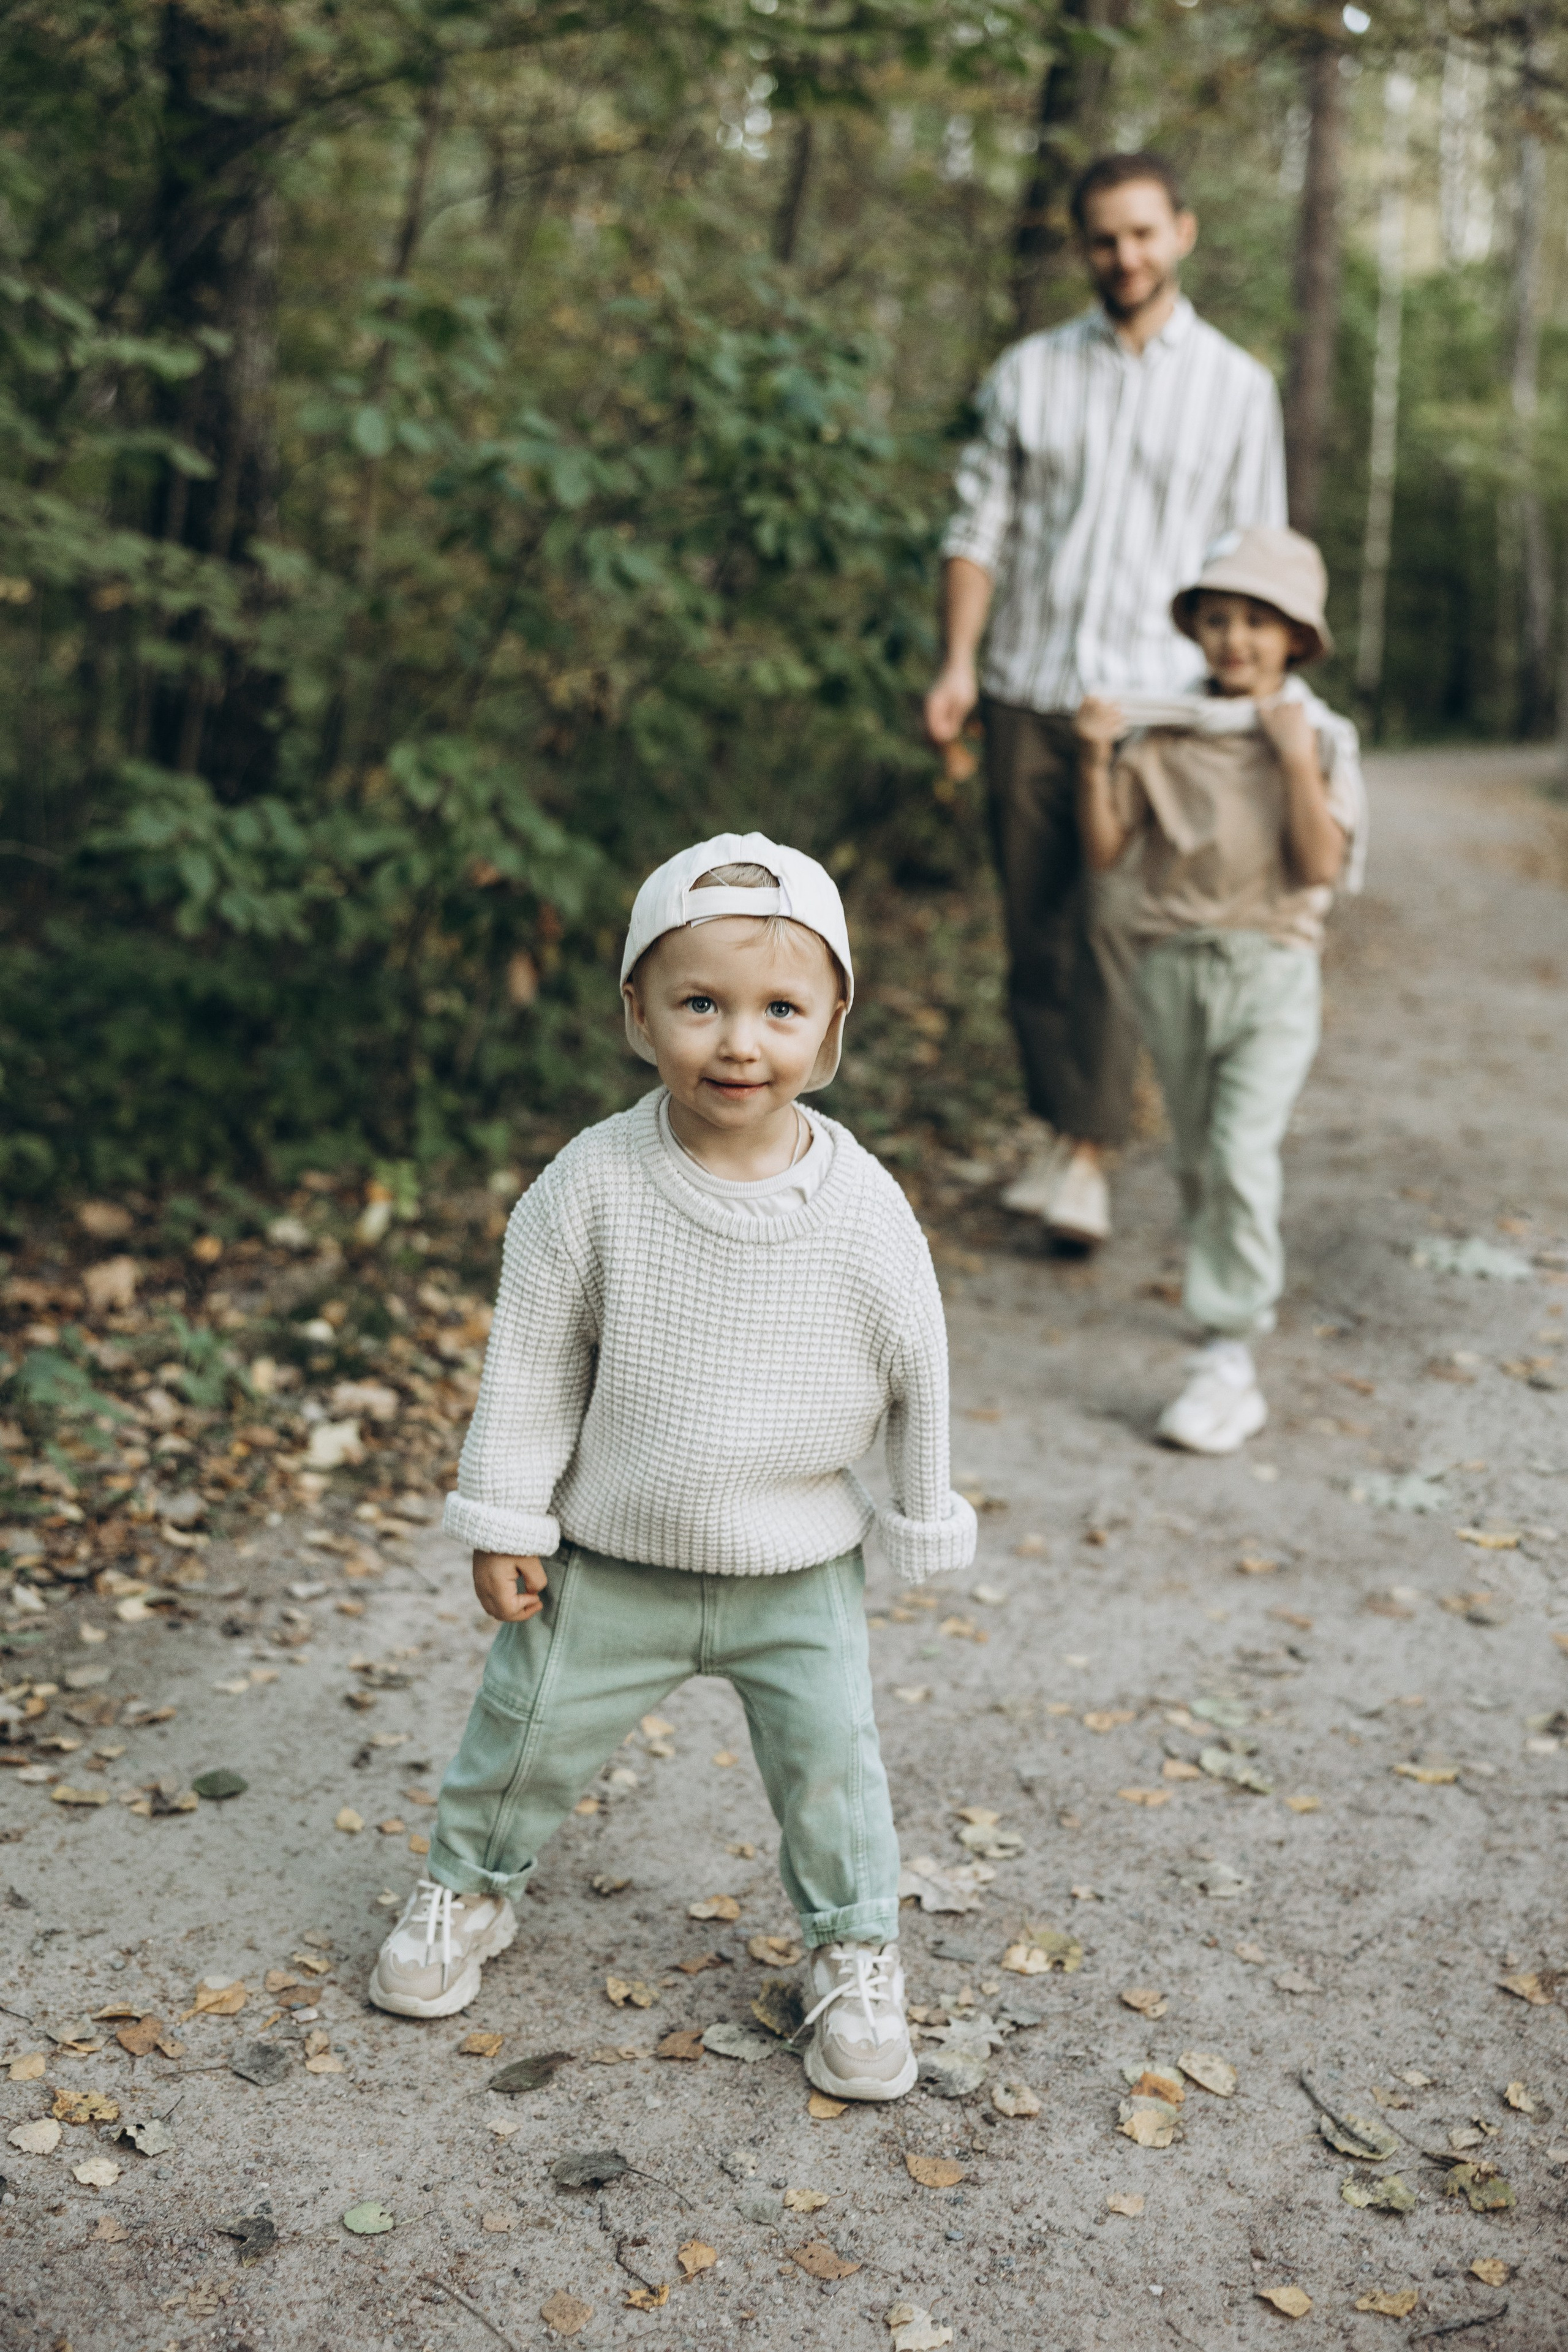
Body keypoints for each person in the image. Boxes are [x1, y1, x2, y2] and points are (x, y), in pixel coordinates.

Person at [366, 832, 976, 2103]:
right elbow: (532, 1360)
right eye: (700, 1004)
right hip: (612, 1558)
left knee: (832, 1768)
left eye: (779, 1011)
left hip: (795, 1570)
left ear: (832, 1023)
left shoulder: (863, 1205)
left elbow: (917, 1363)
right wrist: (507, 1517)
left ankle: (853, 1948)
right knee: (524, 1733)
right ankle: (469, 1891)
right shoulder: (590, 1186)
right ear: (638, 1012)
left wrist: (920, 1513)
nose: (739, 1043)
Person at [925, 151, 1286, 1249]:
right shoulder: (1026, 373)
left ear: (1182, 232)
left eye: (1142, 233)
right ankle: (1060, 1127)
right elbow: (978, 530)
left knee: (1111, 929)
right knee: (1035, 932)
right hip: (1028, 687)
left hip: (1159, 710)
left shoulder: (1236, 387)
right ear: (1083, 246)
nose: (1124, 256)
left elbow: (1254, 555)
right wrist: (956, 665)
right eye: (1104, 238)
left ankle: (1085, 1155)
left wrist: (1253, 704)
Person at [1073, 526, 1366, 1453]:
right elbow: (1107, 850)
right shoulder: (1164, 732)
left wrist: (1292, 759)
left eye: (1257, 621)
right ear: (1197, 631)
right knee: (1201, 1157)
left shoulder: (1317, 738)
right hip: (1174, 967)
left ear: (1296, 638)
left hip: (1272, 969)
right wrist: (1093, 757)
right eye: (1217, 619)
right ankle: (1223, 1298)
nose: (1234, 638)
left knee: (1240, 1154)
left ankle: (1228, 1348)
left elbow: (1320, 866)